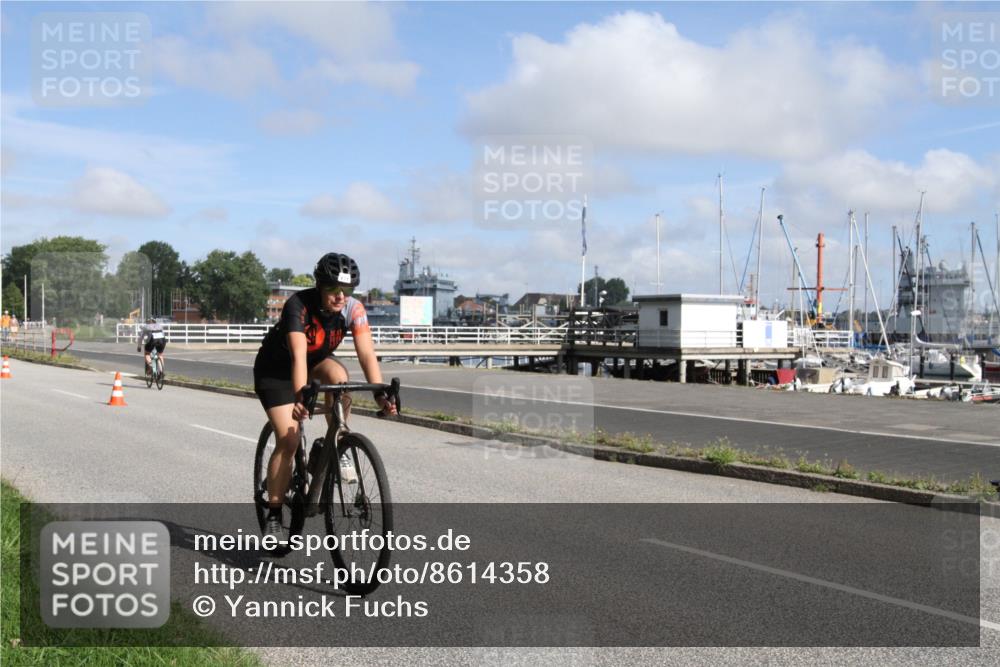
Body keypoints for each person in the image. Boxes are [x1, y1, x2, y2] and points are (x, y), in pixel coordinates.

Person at [254, 252, 396, 540]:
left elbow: (367, 353)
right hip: (277, 370)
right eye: (333, 289)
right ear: (319, 285)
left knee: (340, 379)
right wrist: (300, 398)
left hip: (315, 362)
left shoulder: (353, 310)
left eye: (347, 290)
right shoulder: (298, 306)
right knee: (289, 438)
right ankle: (273, 510)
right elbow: (297, 355)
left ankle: (333, 442)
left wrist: (380, 394)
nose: (340, 296)